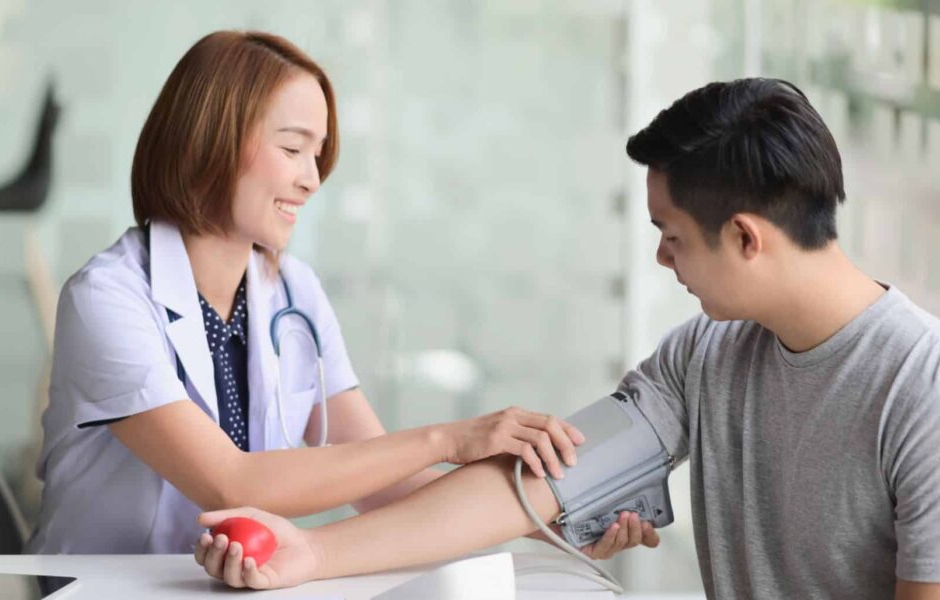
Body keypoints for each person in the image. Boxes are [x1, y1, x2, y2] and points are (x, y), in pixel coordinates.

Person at [194, 78, 940, 599]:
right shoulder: (704, 357)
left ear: (745, 238)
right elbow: (536, 484)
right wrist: (312, 552)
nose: (662, 259)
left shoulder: (920, 387)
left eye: (672, 236)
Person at [25, 30, 656, 555]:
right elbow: (231, 482)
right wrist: (452, 439)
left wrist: (557, 525)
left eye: (318, 154)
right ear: (209, 141)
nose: (311, 179)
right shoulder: (108, 298)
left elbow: (387, 488)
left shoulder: (292, 292)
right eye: (293, 148)